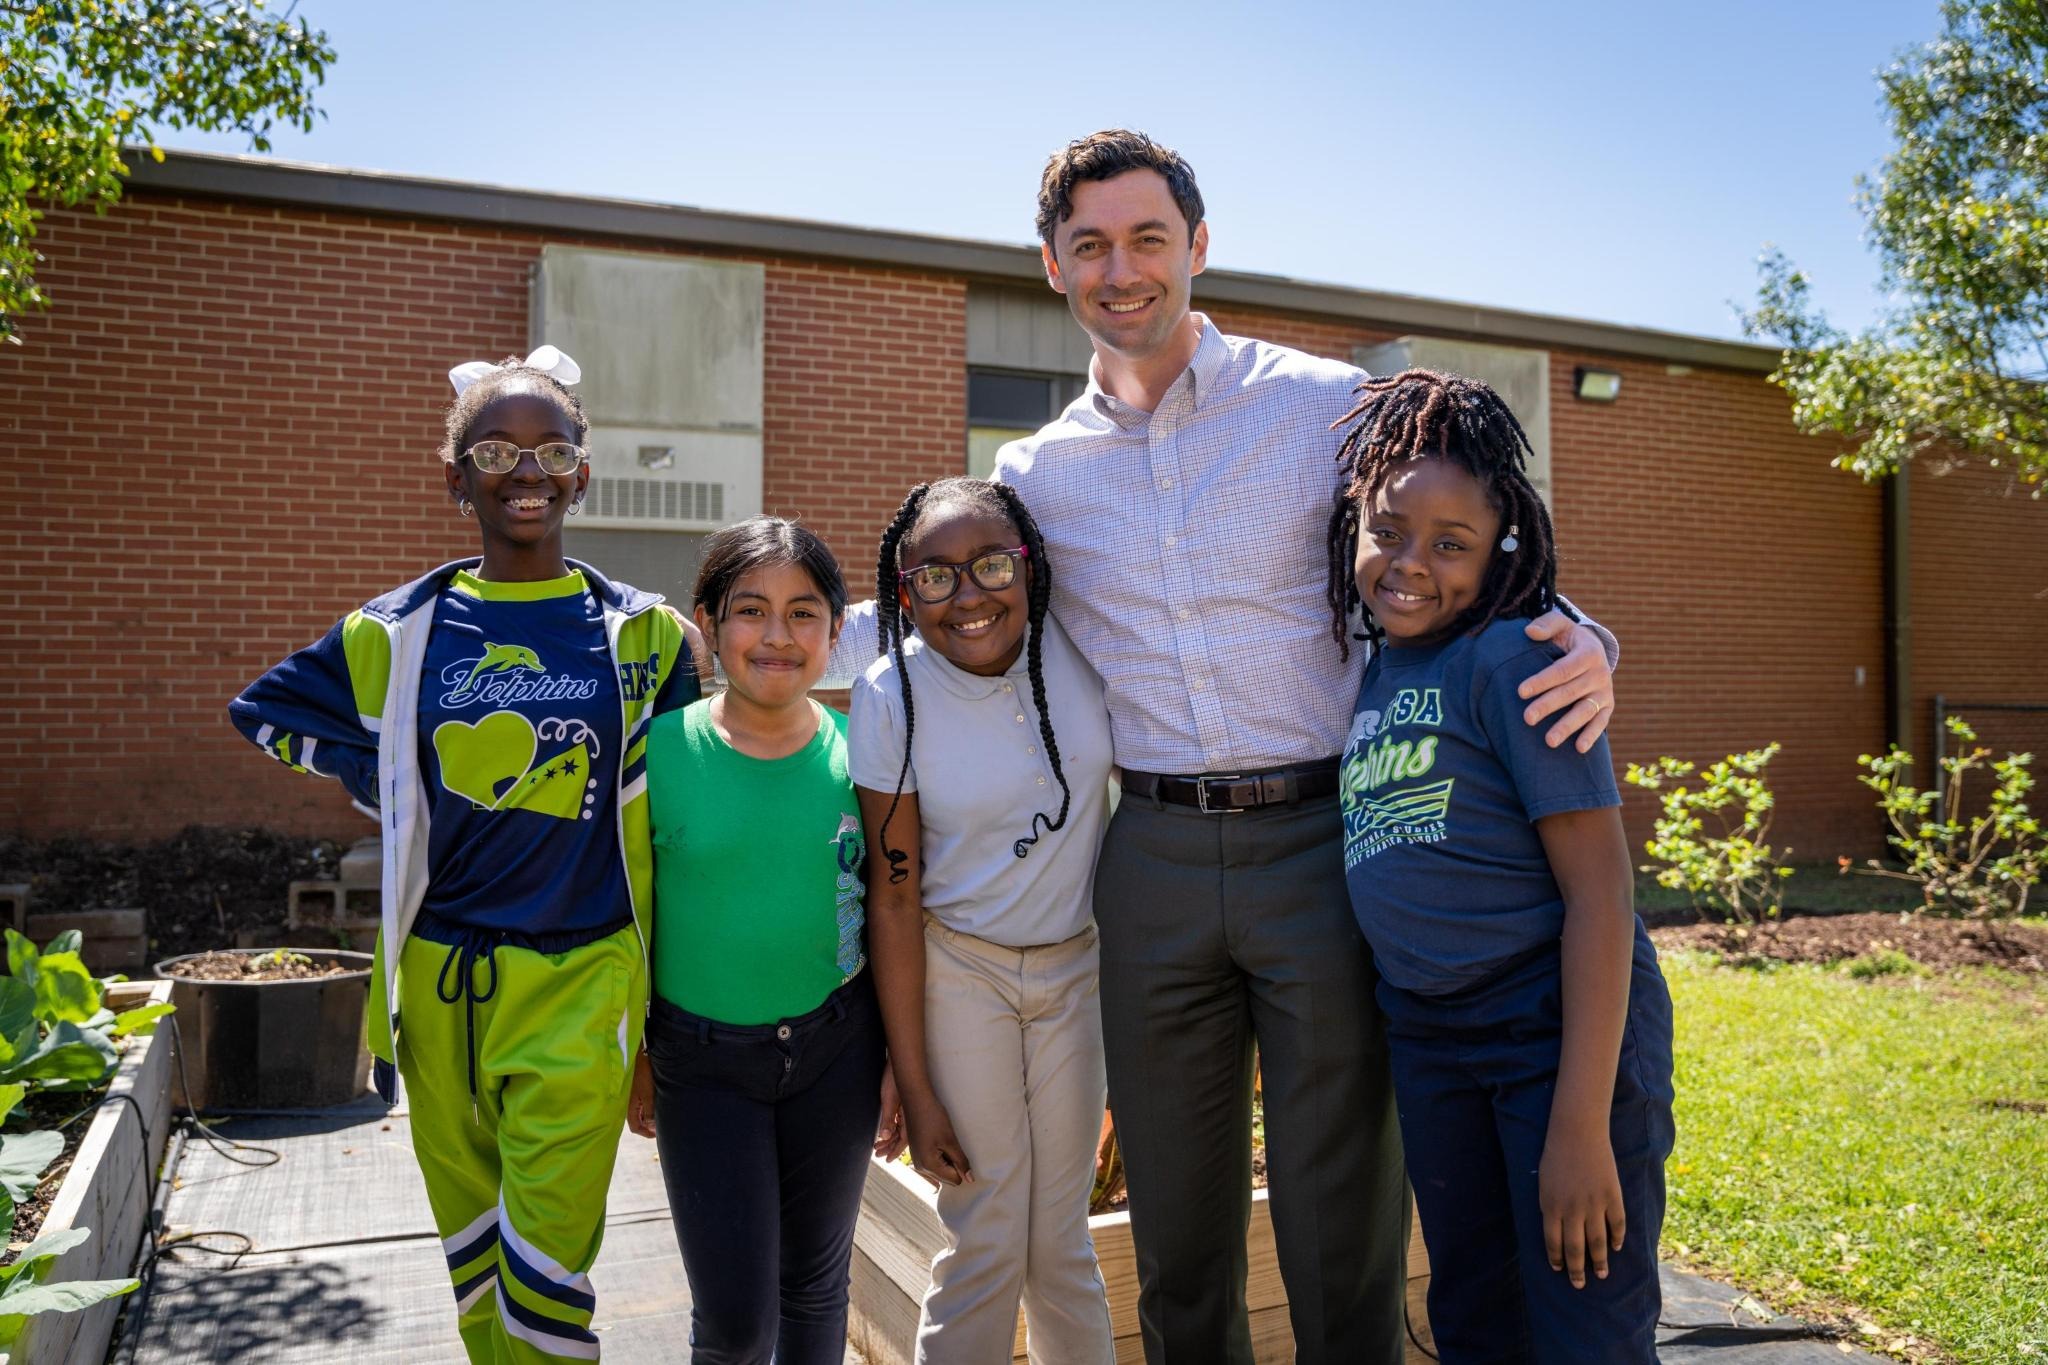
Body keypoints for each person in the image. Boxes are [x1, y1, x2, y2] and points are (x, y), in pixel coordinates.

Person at [992, 130, 1620, 1365]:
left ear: (1199, 247)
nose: (1122, 270)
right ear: (1052, 266)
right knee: (1175, 1229)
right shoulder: (1032, 475)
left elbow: (1473, 532)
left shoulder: (1329, 406)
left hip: (1326, 844)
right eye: (1089, 246)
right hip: (1153, 859)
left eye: (1147, 239)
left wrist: (1585, 632)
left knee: (1342, 1216)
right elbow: (947, 618)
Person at [228, 346, 705, 1362]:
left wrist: (665, 1025)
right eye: (496, 449)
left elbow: (679, 824)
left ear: (582, 471)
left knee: (547, 1269)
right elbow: (263, 712)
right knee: (477, 1264)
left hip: (583, 976)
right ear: (456, 477)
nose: (525, 470)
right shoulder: (394, 632)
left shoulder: (645, 639)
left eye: (551, 449)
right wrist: (394, 787)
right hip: (436, 981)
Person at [1327, 369, 1674, 1362]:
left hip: (1551, 1031)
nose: (1408, 564)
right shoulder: (1379, 661)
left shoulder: (1519, 662)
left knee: (1582, 1325)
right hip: (1431, 1037)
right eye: (1386, 531)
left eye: (1450, 546)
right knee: (1472, 1319)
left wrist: (1577, 1131)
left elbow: (1602, 897)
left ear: (1499, 551)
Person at [849, 478, 1118, 1364]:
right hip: (961, 972)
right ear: (905, 592)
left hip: (1078, 972)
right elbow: (892, 894)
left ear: (1029, 568)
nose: (968, 595)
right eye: (936, 577)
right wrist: (914, 1083)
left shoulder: (1085, 650)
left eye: (992, 564)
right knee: (988, 1231)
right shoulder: (894, 696)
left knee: (1062, 1243)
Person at [627, 516, 893, 1365]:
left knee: (817, 1295)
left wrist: (894, 1061)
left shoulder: (866, 759)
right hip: (702, 1065)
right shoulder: (658, 754)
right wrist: (633, 1055)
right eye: (750, 610)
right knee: (738, 1322)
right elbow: (628, 923)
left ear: (836, 632)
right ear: (707, 622)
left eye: (804, 612)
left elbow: (889, 913)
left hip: (837, 1052)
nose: (777, 635)